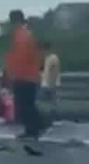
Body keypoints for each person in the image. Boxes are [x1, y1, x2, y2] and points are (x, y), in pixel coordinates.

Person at [4, 9, 45, 139]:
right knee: (28, 104)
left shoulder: (21, 36)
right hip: (29, 75)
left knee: (24, 105)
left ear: (15, 21)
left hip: (23, 76)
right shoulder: (25, 34)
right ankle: (36, 127)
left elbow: (20, 58)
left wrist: (12, 74)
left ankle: (33, 129)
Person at [40, 40, 61, 121]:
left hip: (50, 84)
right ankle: (52, 116)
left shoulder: (53, 58)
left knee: (51, 101)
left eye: (43, 50)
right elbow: (44, 70)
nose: (42, 52)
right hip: (47, 84)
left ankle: (53, 117)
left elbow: (52, 72)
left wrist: (51, 84)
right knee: (52, 101)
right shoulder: (47, 58)